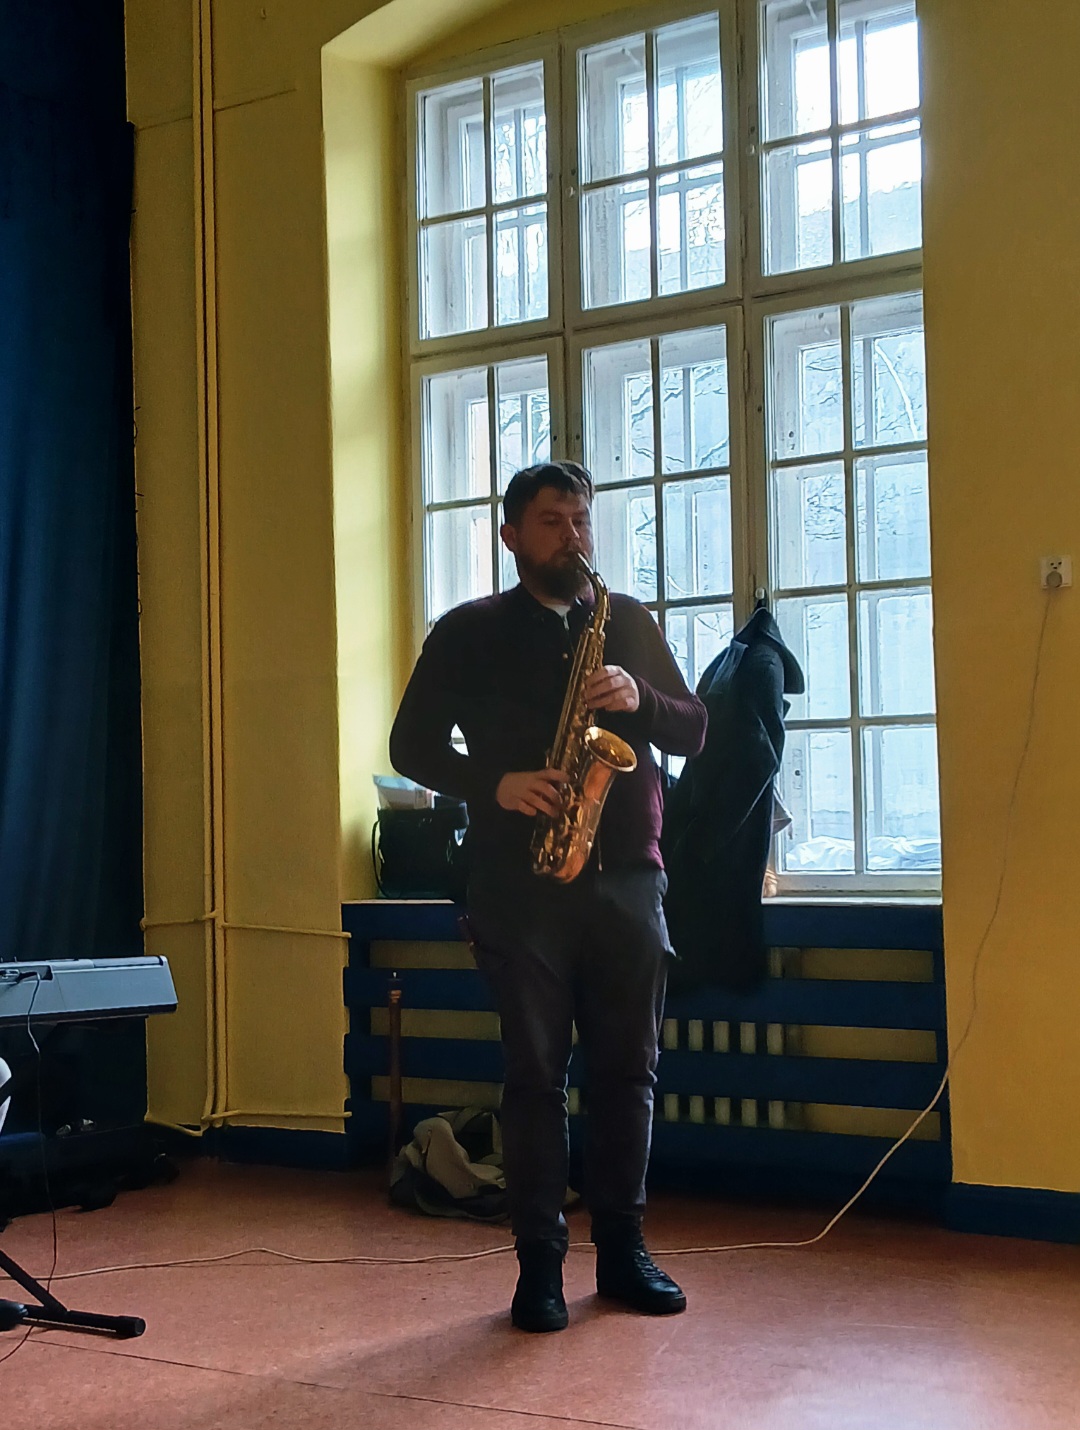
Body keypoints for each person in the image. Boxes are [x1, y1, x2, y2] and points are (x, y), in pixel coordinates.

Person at [389, 461, 707, 1333]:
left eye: (581, 520)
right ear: (510, 537)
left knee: (629, 1073)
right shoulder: (469, 631)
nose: (573, 536)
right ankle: (539, 1267)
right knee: (533, 1077)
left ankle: (624, 1250)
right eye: (552, 521)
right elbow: (411, 744)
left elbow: (695, 727)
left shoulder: (626, 620)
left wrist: (642, 697)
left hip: (629, 877)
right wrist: (492, 784)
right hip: (519, 882)